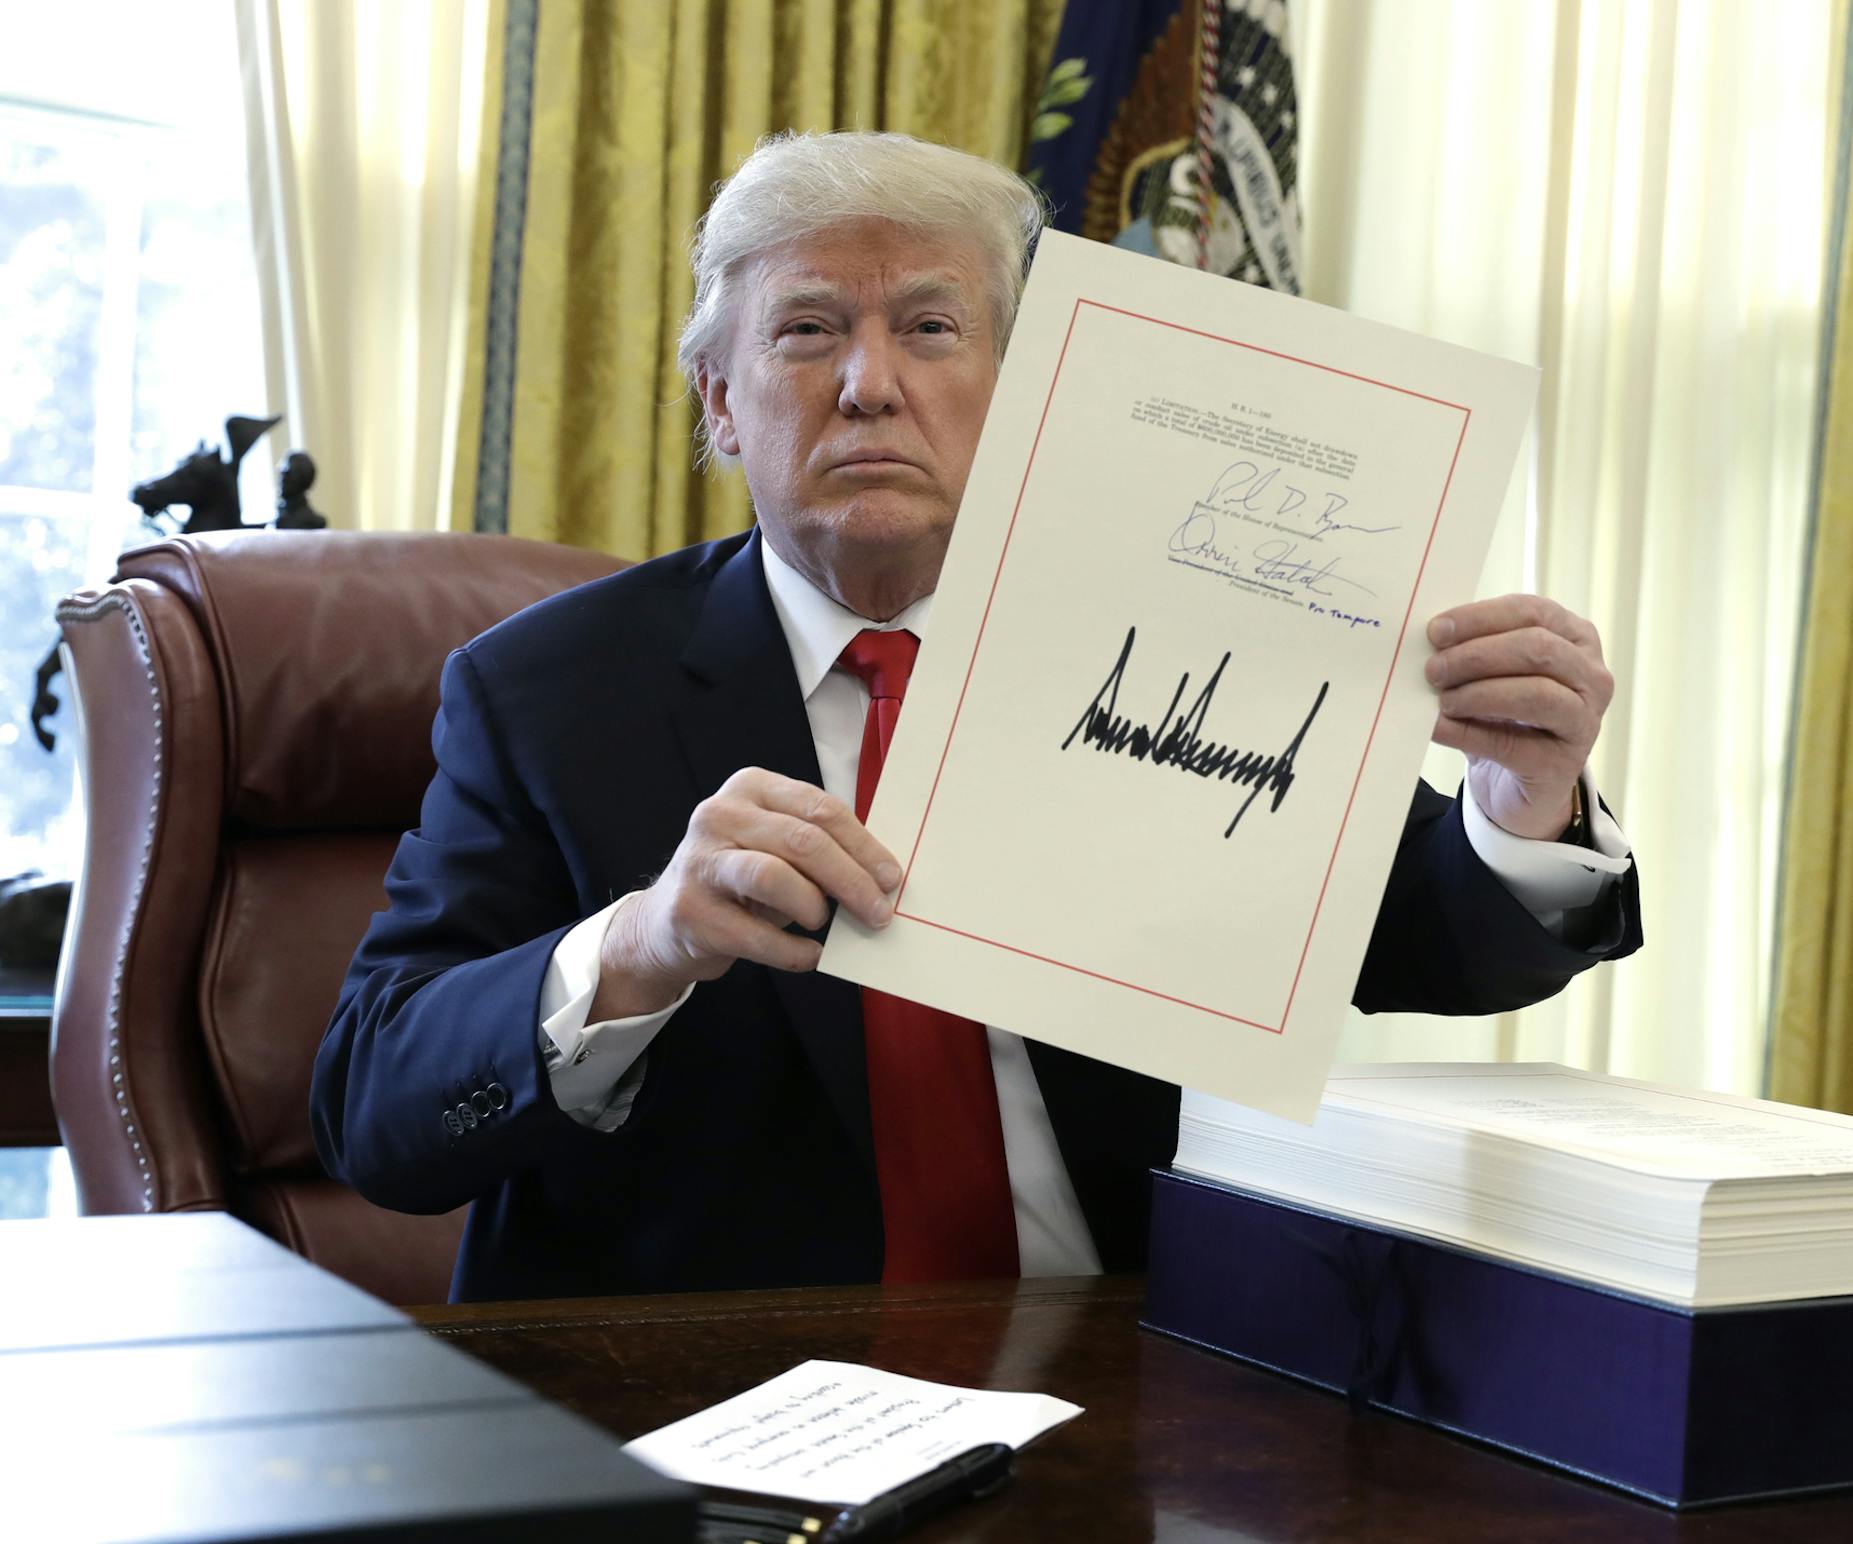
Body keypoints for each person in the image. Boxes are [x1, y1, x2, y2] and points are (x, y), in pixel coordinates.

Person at [312, 132, 1641, 1303]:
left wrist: (1524, 807)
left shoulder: (1172, 643)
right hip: (719, 1393)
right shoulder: (546, 691)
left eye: (932, 329)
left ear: (1021, 395)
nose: (870, 384)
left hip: (1130, 1375)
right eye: (808, 329)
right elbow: (376, 1111)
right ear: (720, 401)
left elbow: (1425, 937)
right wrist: (643, 943)